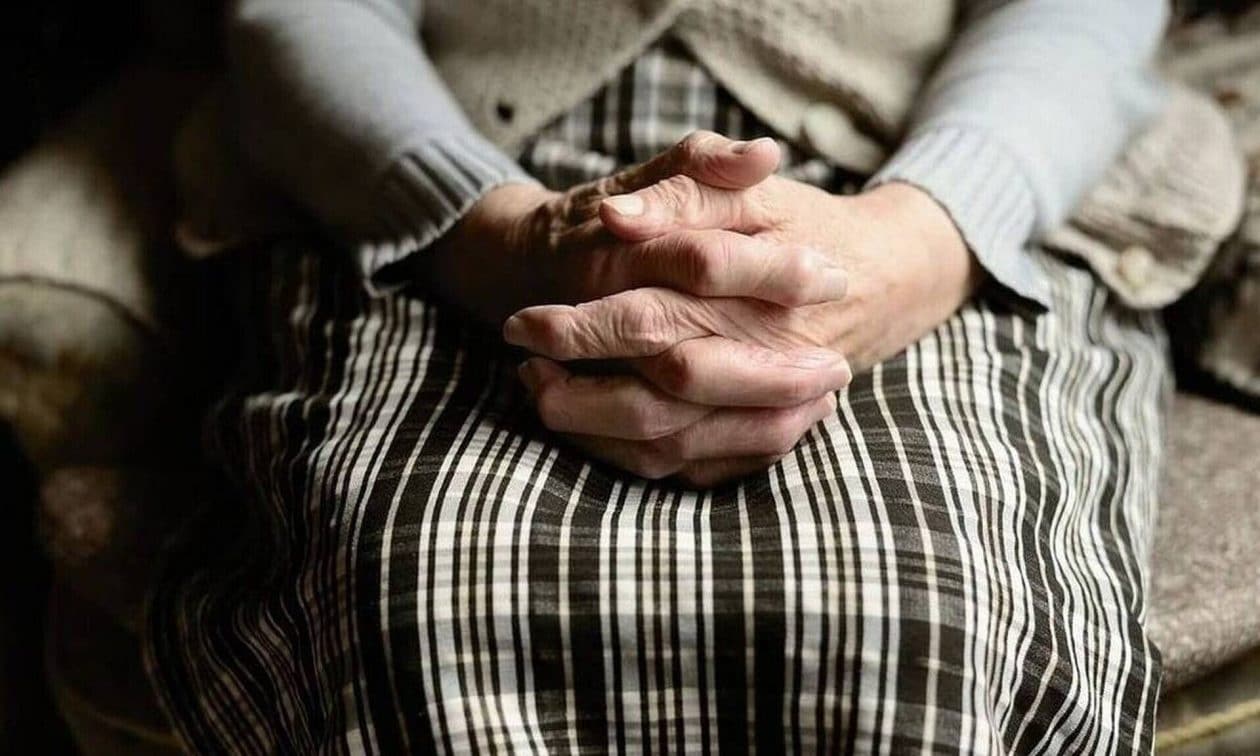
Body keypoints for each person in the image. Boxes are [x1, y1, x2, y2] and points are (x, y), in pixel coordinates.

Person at [146, 0, 1177, 752]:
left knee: (923, 619)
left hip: (922, 183)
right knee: (413, 609)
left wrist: (914, 242)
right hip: (458, 188)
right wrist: (498, 237)